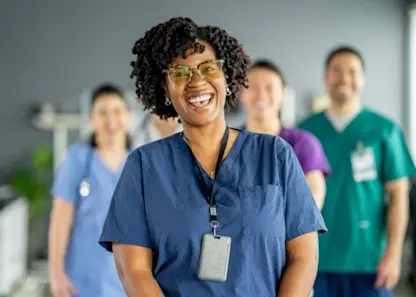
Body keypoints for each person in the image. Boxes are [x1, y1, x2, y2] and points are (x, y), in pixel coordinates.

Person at [98, 17, 327, 297]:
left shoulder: (275, 155)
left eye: (208, 68)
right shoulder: (144, 166)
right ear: (165, 89)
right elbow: (133, 270)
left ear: (227, 77)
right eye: (180, 73)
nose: (196, 81)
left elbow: (304, 258)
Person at [298, 45, 416, 297]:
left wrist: (393, 254)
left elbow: (398, 196)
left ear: (362, 78)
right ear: (325, 77)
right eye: (336, 70)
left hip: (369, 260)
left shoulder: (384, 130)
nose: (344, 78)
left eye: (352, 71)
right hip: (316, 259)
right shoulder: (305, 133)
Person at [48, 84, 131, 297]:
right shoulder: (78, 159)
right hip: (81, 281)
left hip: (127, 282)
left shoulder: (139, 163)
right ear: (92, 119)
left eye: (117, 111)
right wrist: (56, 273)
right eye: (102, 112)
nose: (111, 120)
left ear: (128, 116)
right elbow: (60, 220)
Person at [240, 59, 330, 209]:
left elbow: (312, 204)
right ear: (241, 92)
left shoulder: (304, 143)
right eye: (253, 87)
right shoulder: (226, 143)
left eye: (269, 88)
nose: (261, 95)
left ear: (283, 92)